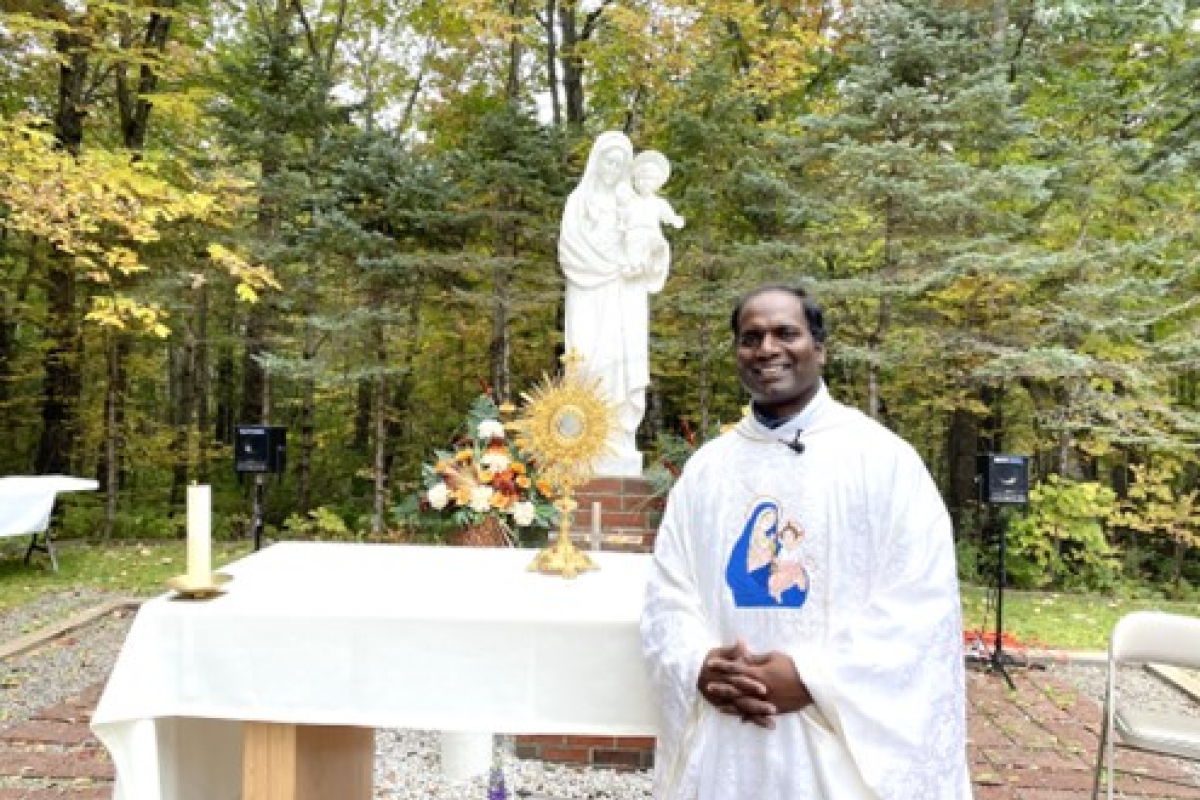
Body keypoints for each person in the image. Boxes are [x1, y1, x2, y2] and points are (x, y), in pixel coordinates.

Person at [640, 284, 971, 799]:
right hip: (727, 737)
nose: (767, 349)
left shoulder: (882, 461)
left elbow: (920, 603)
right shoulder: (707, 469)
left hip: (831, 740)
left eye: (785, 333)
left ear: (819, 348)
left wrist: (813, 676)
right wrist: (700, 664)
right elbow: (669, 590)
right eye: (750, 338)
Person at [559, 132, 676, 475]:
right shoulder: (578, 202)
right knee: (588, 359)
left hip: (626, 293)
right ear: (596, 161)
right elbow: (569, 250)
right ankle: (584, 435)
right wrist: (605, 261)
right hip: (588, 290)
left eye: (620, 163)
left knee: (622, 359)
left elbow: (653, 242)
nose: (612, 168)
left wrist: (649, 254)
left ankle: (620, 436)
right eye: (608, 161)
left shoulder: (633, 201)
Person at [621, 150, 685, 279]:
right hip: (634, 232)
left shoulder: (659, 202)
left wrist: (675, 220)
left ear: (657, 183)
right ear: (636, 180)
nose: (645, 183)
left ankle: (653, 263)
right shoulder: (631, 201)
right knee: (632, 244)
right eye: (642, 179)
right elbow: (623, 216)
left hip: (652, 232)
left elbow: (668, 215)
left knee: (658, 245)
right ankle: (634, 267)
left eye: (649, 180)